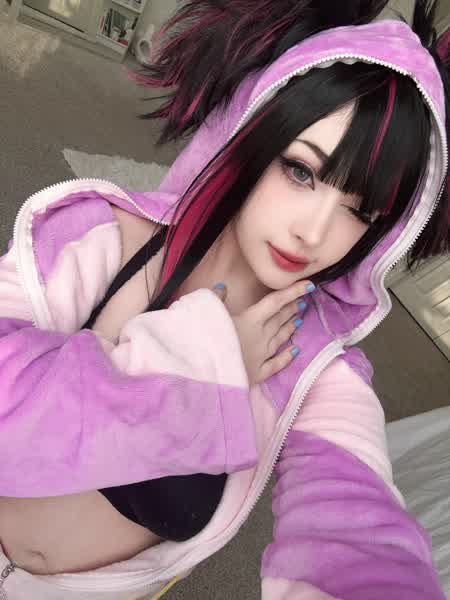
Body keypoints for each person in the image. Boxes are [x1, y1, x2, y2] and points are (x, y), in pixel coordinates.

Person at [0, 1, 448, 598]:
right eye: (301, 171)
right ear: (249, 137)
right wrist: (203, 356)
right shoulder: (99, 236)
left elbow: (354, 526)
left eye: (360, 212)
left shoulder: (317, 368)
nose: (314, 233)